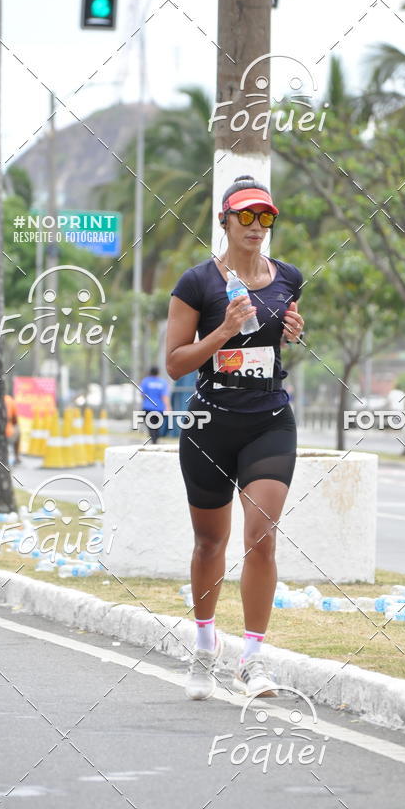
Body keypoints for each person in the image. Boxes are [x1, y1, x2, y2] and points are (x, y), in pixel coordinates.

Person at [166, 174, 305, 701]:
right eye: (245, 216)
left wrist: (294, 331)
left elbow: (282, 332)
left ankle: (252, 660)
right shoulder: (196, 282)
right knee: (209, 542)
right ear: (224, 220)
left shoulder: (287, 277)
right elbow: (175, 364)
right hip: (208, 424)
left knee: (261, 537)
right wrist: (222, 330)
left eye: (265, 217)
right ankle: (205, 645)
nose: (256, 226)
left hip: (269, 420)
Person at [140, 367, 171, 444]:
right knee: (156, 426)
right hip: (159, 408)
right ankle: (155, 440)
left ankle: (154, 440)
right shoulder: (162, 382)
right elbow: (164, 396)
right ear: (158, 373)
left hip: (147, 407)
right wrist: (168, 407)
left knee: (150, 425)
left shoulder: (145, 381)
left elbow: (142, 394)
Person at [4, 392, 20, 465]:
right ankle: (16, 457)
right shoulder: (9, 399)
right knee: (18, 430)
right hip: (7, 432)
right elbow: (15, 420)